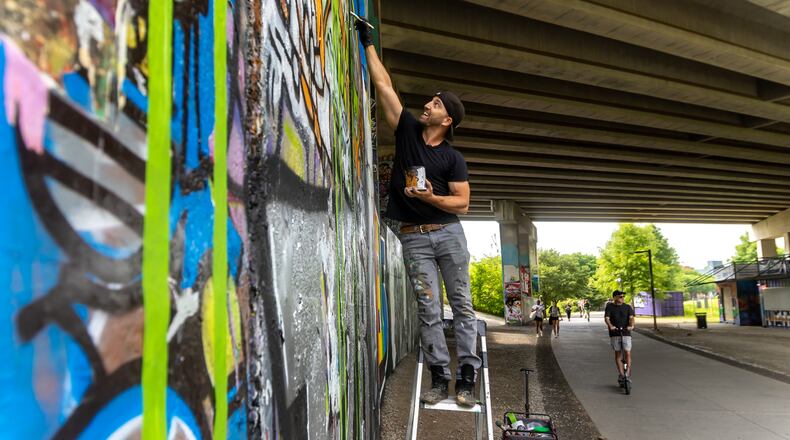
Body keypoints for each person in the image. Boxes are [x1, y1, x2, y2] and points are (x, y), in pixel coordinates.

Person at [355, 19, 480, 407]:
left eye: (436, 103)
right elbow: (384, 87)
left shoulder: (452, 158)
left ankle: (467, 376)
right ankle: (440, 378)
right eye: (430, 100)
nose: (428, 104)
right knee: (428, 308)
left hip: (447, 233)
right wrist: (367, 42)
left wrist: (430, 198)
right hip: (412, 236)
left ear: (447, 120)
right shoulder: (407, 130)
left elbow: (462, 203)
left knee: (460, 305)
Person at [604, 290, 635, 385]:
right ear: (615, 298)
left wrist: (631, 326)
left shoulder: (627, 307)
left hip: (626, 332)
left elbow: (631, 318)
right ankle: (621, 374)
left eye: (623, 296)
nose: (622, 298)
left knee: (627, 352)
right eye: (620, 296)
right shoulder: (609, 306)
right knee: (618, 354)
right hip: (615, 333)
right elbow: (607, 318)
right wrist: (610, 326)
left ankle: (627, 374)